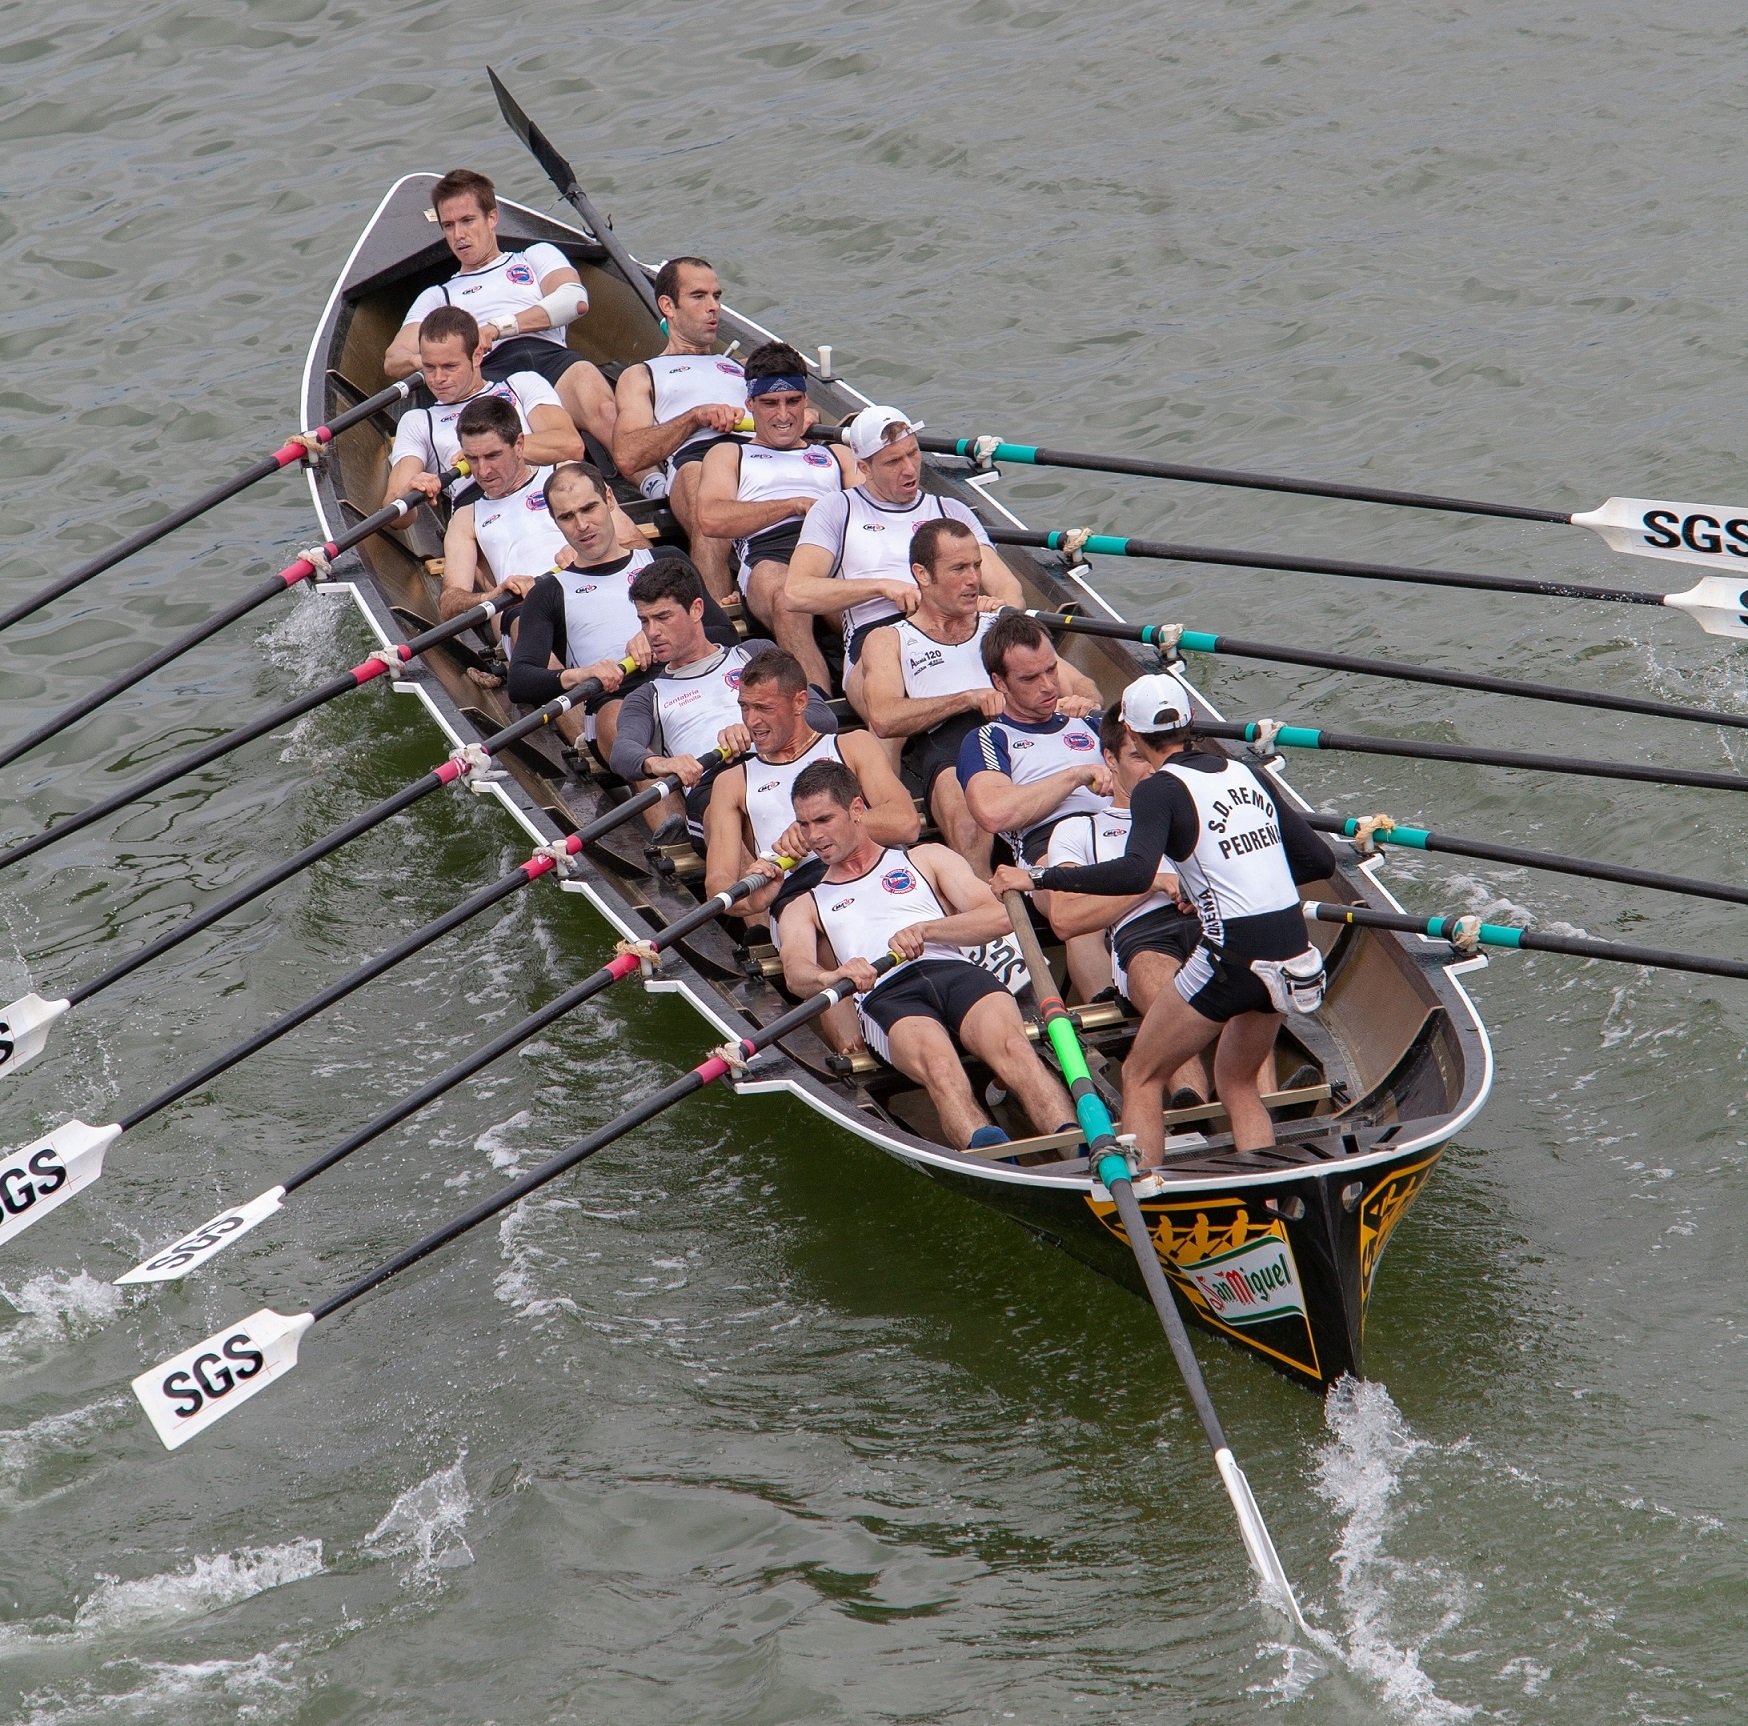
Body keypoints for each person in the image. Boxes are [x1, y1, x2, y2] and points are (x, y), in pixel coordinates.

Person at [999, 672, 1337, 1167]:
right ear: (1191, 723)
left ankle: (1150, 1193)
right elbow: (1318, 863)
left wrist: (1039, 880)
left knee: (1141, 1074)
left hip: (1232, 956)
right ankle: (1274, 1192)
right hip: (1292, 950)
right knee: (1239, 1082)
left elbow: (1135, 872)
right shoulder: (1246, 772)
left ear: (1132, 736)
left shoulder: (1158, 789)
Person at [762, 760, 1074, 1151]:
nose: (814, 836)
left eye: (824, 820)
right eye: (804, 825)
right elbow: (796, 971)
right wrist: (832, 976)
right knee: (943, 1070)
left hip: (956, 972)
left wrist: (928, 930)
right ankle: (992, 1164)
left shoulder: (924, 857)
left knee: (1017, 1053)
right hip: (887, 995)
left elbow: (1000, 915)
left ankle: (1077, 1147)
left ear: (857, 809)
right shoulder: (805, 903)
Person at [1000, 710, 1215, 1107]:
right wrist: (1152, 882)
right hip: (1146, 939)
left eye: (1161, 755)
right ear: (1110, 762)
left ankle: (1267, 1101)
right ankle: (1194, 1106)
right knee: (1158, 977)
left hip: (1213, 922)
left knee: (1251, 958)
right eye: (1137, 756)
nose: (1154, 767)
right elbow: (1065, 918)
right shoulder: (1078, 829)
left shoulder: (1203, 808)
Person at [860, 518, 1099, 873]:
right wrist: (967, 698)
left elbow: (1082, 685)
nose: (973, 579)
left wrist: (1083, 701)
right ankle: (990, 905)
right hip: (949, 747)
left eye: (976, 565)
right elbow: (883, 717)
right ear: (922, 575)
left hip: (1029, 734)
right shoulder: (889, 639)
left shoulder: (999, 624)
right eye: (959, 568)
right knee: (967, 814)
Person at [783, 405, 1024, 718]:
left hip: (960, 625)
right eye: (893, 461)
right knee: (888, 705)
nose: (909, 469)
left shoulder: (951, 510)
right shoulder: (836, 510)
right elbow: (796, 591)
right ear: (864, 468)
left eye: (913, 453)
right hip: (876, 637)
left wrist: (995, 607)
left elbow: (1009, 588)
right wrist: (882, 587)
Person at [506, 462, 733, 766]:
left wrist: (658, 639)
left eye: (589, 508)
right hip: (616, 701)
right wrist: (583, 674)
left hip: (692, 683)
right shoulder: (548, 592)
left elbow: (725, 633)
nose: (582, 525)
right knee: (626, 728)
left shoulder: (664, 560)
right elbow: (521, 681)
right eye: (567, 517)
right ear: (554, 521)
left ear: (610, 499)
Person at [383, 168, 616, 450]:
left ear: (492, 217)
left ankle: (652, 481)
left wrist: (497, 328)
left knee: (605, 409)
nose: (459, 235)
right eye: (449, 225)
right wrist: (431, 362)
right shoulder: (438, 296)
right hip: (491, 374)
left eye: (468, 221)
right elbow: (394, 359)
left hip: (551, 357)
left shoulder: (534, 256)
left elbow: (574, 301)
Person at [609, 560, 837, 843]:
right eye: (645, 621)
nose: (652, 631)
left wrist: (756, 730)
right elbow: (622, 753)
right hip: (718, 788)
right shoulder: (647, 697)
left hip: (790, 762)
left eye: (663, 617)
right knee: (739, 803)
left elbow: (823, 716)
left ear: (696, 609)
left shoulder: (753, 653)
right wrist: (661, 764)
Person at [955, 611, 1107, 995]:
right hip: (1047, 844)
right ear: (999, 682)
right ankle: (1111, 1011)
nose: (1047, 686)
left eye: (1051, 671)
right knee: (1077, 910)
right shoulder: (989, 738)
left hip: (1117, 827)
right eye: (1029, 678)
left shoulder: (1088, 722)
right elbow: (994, 811)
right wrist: (1075, 776)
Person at [694, 340, 857, 692]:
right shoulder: (730, 454)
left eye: (792, 401)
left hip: (834, 546)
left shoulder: (836, 455)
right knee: (788, 597)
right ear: (750, 404)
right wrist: (793, 505)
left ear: (806, 401)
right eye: (769, 404)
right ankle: (818, 706)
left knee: (866, 594)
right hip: (769, 553)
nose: (783, 415)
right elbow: (711, 518)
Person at [610, 256, 748, 600]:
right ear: (667, 306)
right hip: (697, 463)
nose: (713, 307)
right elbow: (627, 455)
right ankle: (720, 609)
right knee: (696, 479)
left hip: (757, 455)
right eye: (699, 297)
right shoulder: (643, 374)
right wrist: (694, 417)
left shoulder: (742, 367)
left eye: (717, 296)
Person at [440, 397, 641, 629]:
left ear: (519, 445)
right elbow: (449, 603)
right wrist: (491, 596)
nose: (483, 471)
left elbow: (638, 545)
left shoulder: (565, 475)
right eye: (472, 459)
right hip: (528, 611)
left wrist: (589, 554)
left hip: (597, 585)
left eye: (493, 456)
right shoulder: (466, 517)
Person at [381, 306, 581, 509]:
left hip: (550, 498)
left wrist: (485, 453)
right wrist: (414, 490)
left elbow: (571, 445)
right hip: (482, 515)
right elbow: (394, 501)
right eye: (429, 367)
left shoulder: (521, 385)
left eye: (450, 366)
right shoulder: (418, 421)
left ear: (477, 356)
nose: (438, 378)